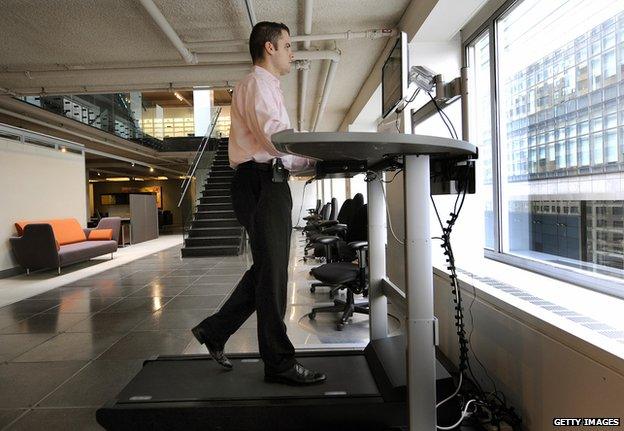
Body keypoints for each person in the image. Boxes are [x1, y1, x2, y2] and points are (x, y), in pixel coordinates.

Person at [192, 21, 326, 386]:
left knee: (267, 271)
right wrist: (313, 160)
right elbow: (275, 140)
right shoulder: (256, 85)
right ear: (269, 47)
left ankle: (215, 331)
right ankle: (279, 363)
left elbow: (276, 142)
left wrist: (305, 162)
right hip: (262, 182)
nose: (291, 52)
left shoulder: (265, 87)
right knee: (273, 275)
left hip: (264, 181)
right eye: (286, 45)